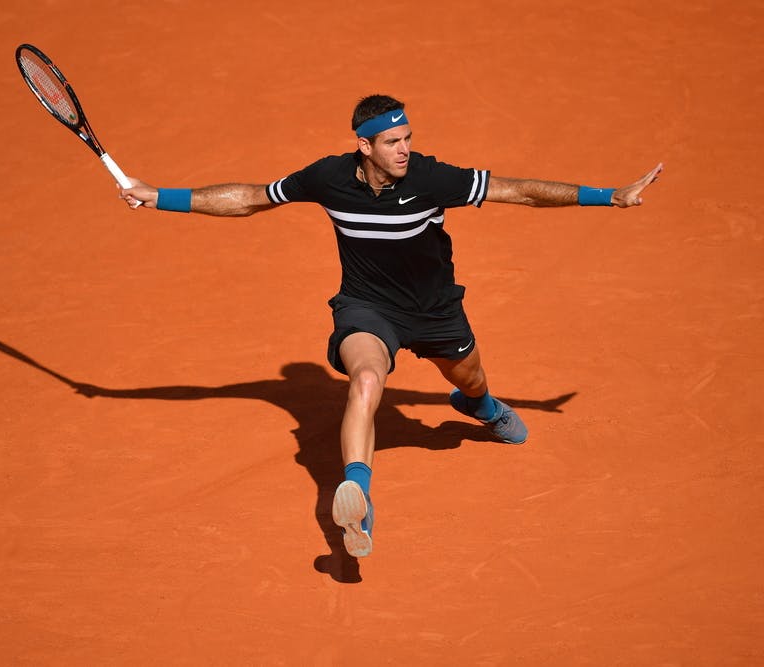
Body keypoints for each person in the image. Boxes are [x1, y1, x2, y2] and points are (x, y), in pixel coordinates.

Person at [119, 94, 662, 559]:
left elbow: (515, 189)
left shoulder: (429, 178)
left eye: (407, 138)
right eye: (392, 142)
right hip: (366, 308)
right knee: (366, 382)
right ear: (365, 145)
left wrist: (608, 195)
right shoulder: (327, 178)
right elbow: (251, 199)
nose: (405, 149)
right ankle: (358, 494)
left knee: (470, 379)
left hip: (435, 311)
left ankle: (483, 408)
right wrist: (159, 195)